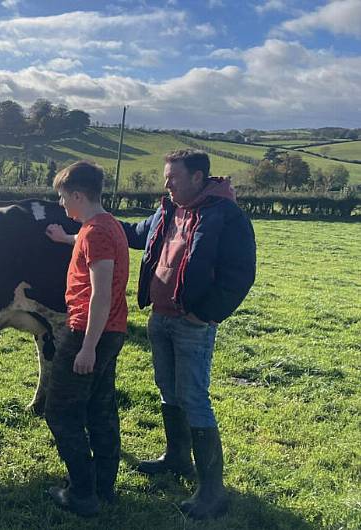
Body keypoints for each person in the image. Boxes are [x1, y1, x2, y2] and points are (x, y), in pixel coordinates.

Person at [122, 149, 256, 519]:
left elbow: (239, 273)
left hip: (192, 323)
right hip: (160, 318)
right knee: (168, 390)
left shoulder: (225, 216)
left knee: (194, 398)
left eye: (173, 178)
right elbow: (137, 233)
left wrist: (205, 314)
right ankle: (177, 458)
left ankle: (212, 492)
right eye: (166, 177)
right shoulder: (168, 209)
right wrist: (91, 221)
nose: (166, 184)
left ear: (197, 177)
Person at [43, 160, 130, 517]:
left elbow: (101, 292)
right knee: (100, 409)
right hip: (112, 331)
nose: (63, 206)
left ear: (78, 195)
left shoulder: (95, 233)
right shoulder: (107, 225)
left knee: (60, 412)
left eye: (64, 199)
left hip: (88, 332)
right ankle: (104, 486)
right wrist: (66, 239)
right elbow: (92, 245)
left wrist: (88, 347)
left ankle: (81, 494)